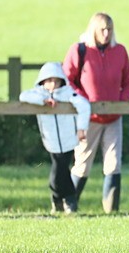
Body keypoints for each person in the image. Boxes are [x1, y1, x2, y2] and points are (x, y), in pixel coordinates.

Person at [64, 12, 129, 213]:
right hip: (87, 118)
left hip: (113, 118)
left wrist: (121, 102)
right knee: (82, 162)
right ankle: (69, 205)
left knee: (114, 164)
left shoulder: (120, 51)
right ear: (93, 30)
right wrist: (82, 100)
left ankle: (112, 210)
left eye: (109, 29)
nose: (106, 33)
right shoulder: (79, 50)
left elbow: (128, 81)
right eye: (102, 29)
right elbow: (67, 79)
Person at [19, 62, 91, 214]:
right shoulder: (38, 94)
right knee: (61, 170)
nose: (52, 85)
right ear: (42, 81)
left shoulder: (68, 94)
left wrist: (81, 128)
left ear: (61, 81)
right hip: (51, 140)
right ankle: (67, 200)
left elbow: (84, 106)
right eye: (49, 80)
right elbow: (23, 96)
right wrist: (43, 101)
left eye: (56, 81)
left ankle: (60, 199)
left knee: (58, 171)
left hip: (68, 139)